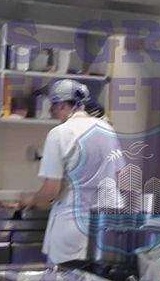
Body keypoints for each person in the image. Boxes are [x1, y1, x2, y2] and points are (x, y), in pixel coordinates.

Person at [21, 79, 122, 265]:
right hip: (107, 227)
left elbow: (51, 190)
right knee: (100, 280)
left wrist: (31, 201)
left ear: (61, 105)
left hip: (73, 226)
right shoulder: (108, 130)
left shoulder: (60, 133)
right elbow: (118, 175)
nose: (52, 112)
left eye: (53, 107)